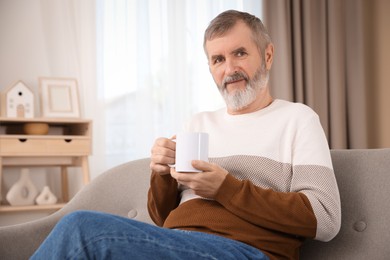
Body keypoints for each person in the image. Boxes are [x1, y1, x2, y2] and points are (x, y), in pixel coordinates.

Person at [31, 10, 341, 260]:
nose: (229, 68)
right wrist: (162, 175)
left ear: (268, 55)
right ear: (210, 68)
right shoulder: (198, 123)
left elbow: (326, 219)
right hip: (176, 243)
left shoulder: (297, 119)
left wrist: (225, 188)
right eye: (218, 59)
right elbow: (162, 217)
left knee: (82, 227)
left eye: (240, 53)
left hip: (246, 250)